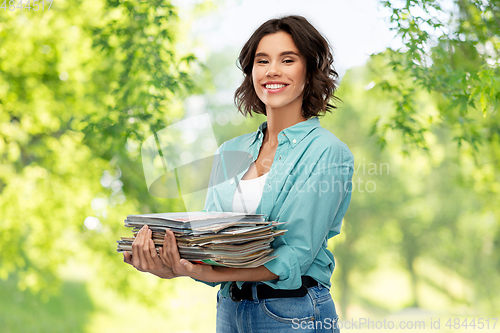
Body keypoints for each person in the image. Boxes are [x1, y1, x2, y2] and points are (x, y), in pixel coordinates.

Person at [123, 15, 354, 333]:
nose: (272, 70)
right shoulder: (231, 151)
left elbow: (297, 255)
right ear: (251, 72)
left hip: (293, 312)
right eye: (262, 61)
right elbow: (213, 242)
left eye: (287, 59)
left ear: (310, 69)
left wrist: (211, 274)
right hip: (230, 308)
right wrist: (173, 265)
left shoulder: (327, 152)